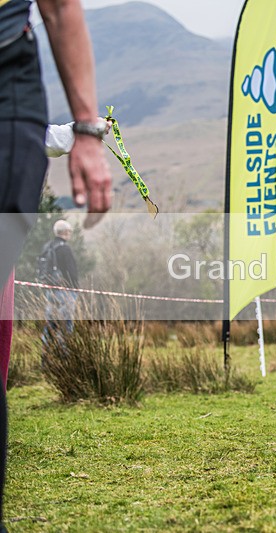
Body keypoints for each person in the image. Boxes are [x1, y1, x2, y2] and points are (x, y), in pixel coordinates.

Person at [0, 0, 111, 529]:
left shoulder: (56, 246)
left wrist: (80, 133)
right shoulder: (57, 246)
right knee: (53, 329)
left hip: (9, 76)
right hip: (55, 293)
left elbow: (61, 5)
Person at [41, 219, 79, 349]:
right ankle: (64, 355)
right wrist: (75, 289)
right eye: (70, 231)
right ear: (65, 232)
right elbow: (72, 272)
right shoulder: (64, 249)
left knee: (51, 324)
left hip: (50, 291)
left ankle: (46, 353)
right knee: (66, 325)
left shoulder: (48, 247)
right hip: (65, 292)